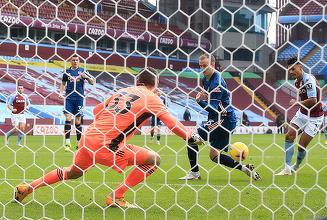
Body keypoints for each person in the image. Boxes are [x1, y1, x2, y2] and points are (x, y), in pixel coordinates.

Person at [14, 68, 203, 208]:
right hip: (108, 146)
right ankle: (117, 196)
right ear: (155, 85)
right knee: (154, 160)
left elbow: (97, 111)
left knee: (73, 172)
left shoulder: (121, 91)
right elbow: (171, 123)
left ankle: (27, 187)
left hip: (88, 139)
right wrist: (190, 136)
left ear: (138, 81)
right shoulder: (152, 98)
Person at [179, 54, 261, 181]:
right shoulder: (205, 79)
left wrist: (200, 101)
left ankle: (194, 174)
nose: (202, 69)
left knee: (191, 139)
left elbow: (212, 108)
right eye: (200, 66)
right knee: (214, 156)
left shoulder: (217, 83)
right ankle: (245, 169)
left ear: (213, 65)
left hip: (222, 119)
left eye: (205, 66)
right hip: (224, 118)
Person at [276, 57, 324, 176]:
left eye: (293, 69)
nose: (291, 72)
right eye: (289, 70)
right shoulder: (297, 82)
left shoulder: (309, 80)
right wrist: (300, 103)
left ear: (300, 67)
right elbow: (306, 98)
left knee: (301, 147)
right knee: (289, 136)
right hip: (302, 114)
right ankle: (287, 169)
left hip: (315, 118)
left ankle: (296, 166)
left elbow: (313, 100)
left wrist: (297, 103)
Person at [59, 55, 94, 151]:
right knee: (68, 118)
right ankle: (67, 143)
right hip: (69, 98)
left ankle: (78, 142)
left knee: (78, 121)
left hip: (79, 99)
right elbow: (63, 83)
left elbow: (93, 82)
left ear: (79, 61)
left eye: (76, 60)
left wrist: (86, 76)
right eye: (73, 60)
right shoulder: (67, 72)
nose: (75, 61)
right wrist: (61, 93)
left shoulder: (83, 70)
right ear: (70, 61)